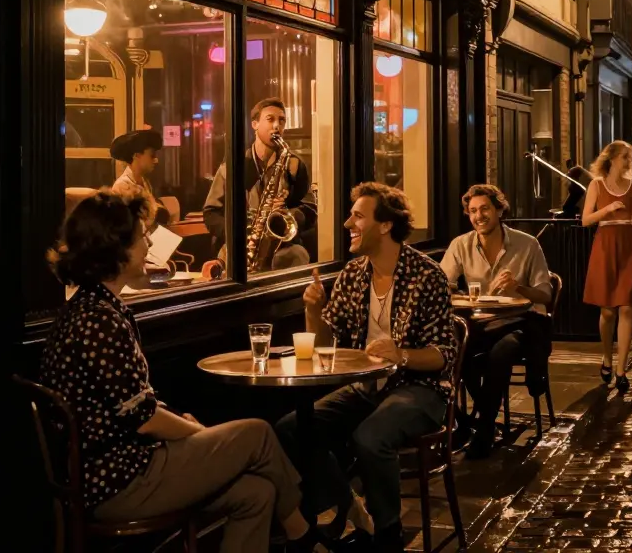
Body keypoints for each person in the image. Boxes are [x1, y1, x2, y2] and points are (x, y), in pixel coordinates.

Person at [41, 192, 322, 553]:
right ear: (116, 249)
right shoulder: (98, 320)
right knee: (257, 434)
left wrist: (178, 422)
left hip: (117, 469)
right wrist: (196, 432)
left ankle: (301, 536)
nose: (148, 245)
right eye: (142, 237)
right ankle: (306, 539)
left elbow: (137, 403)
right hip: (117, 482)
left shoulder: (92, 307)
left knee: (257, 493)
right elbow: (143, 418)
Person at [276, 183, 457, 551]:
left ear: (386, 225)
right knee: (292, 429)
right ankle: (351, 507)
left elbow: (444, 355)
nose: (347, 223)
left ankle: (388, 534)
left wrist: (401, 354)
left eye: (358, 216)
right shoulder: (353, 275)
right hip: (366, 388)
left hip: (420, 389)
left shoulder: (427, 275)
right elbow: (326, 348)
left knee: (370, 437)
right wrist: (313, 310)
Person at [440, 184, 553, 460]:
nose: (479, 216)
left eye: (485, 209)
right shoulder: (461, 245)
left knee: (501, 353)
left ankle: (485, 427)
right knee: (457, 350)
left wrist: (519, 287)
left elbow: (545, 294)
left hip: (521, 322)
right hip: (480, 323)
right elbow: (442, 283)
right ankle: (473, 420)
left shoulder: (527, 244)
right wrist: (451, 289)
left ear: (499, 210)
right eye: (473, 211)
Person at [203, 97, 317, 273]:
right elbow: (211, 212)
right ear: (254, 124)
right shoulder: (234, 166)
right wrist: (238, 233)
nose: (277, 126)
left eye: (282, 120)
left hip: (284, 248)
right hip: (240, 247)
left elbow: (310, 209)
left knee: (298, 255)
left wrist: (287, 214)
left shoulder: (294, 165)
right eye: (270, 119)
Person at [581, 141, 632, 394]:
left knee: (626, 308)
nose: (629, 161)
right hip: (605, 245)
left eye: (631, 157)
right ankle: (606, 356)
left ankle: (622, 370)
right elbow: (585, 220)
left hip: (629, 246)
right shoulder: (596, 184)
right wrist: (608, 208)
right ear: (611, 158)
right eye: (625, 157)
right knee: (607, 312)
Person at [109, 129, 169, 229]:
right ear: (137, 155)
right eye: (152, 155)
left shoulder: (144, 183)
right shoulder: (123, 186)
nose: (156, 160)